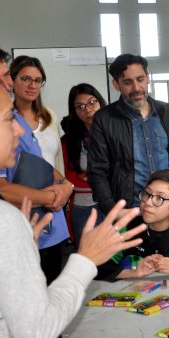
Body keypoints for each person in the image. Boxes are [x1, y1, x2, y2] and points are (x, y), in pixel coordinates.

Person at [0, 66, 145, 338]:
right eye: (6, 118)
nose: (17, 129)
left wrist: (16, 250)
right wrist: (85, 259)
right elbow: (37, 332)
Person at [0, 49, 73, 284]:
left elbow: (42, 164)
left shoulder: (45, 118)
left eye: (37, 80)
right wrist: (51, 196)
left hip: (49, 223)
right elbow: (0, 188)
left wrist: (65, 185)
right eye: (23, 78)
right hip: (20, 225)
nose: (6, 84)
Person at [88, 53, 169, 220]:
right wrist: (111, 209)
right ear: (116, 84)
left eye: (140, 79)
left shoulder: (168, 113)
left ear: (148, 78)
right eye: (127, 82)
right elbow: (97, 171)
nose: (136, 87)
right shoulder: (104, 119)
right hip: (130, 212)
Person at [61, 83, 107, 246]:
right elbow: (66, 175)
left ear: (100, 101)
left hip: (115, 202)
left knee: (118, 259)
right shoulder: (69, 142)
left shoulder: (117, 132)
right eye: (80, 106)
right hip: (85, 204)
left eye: (91, 102)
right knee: (89, 258)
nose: (87, 109)